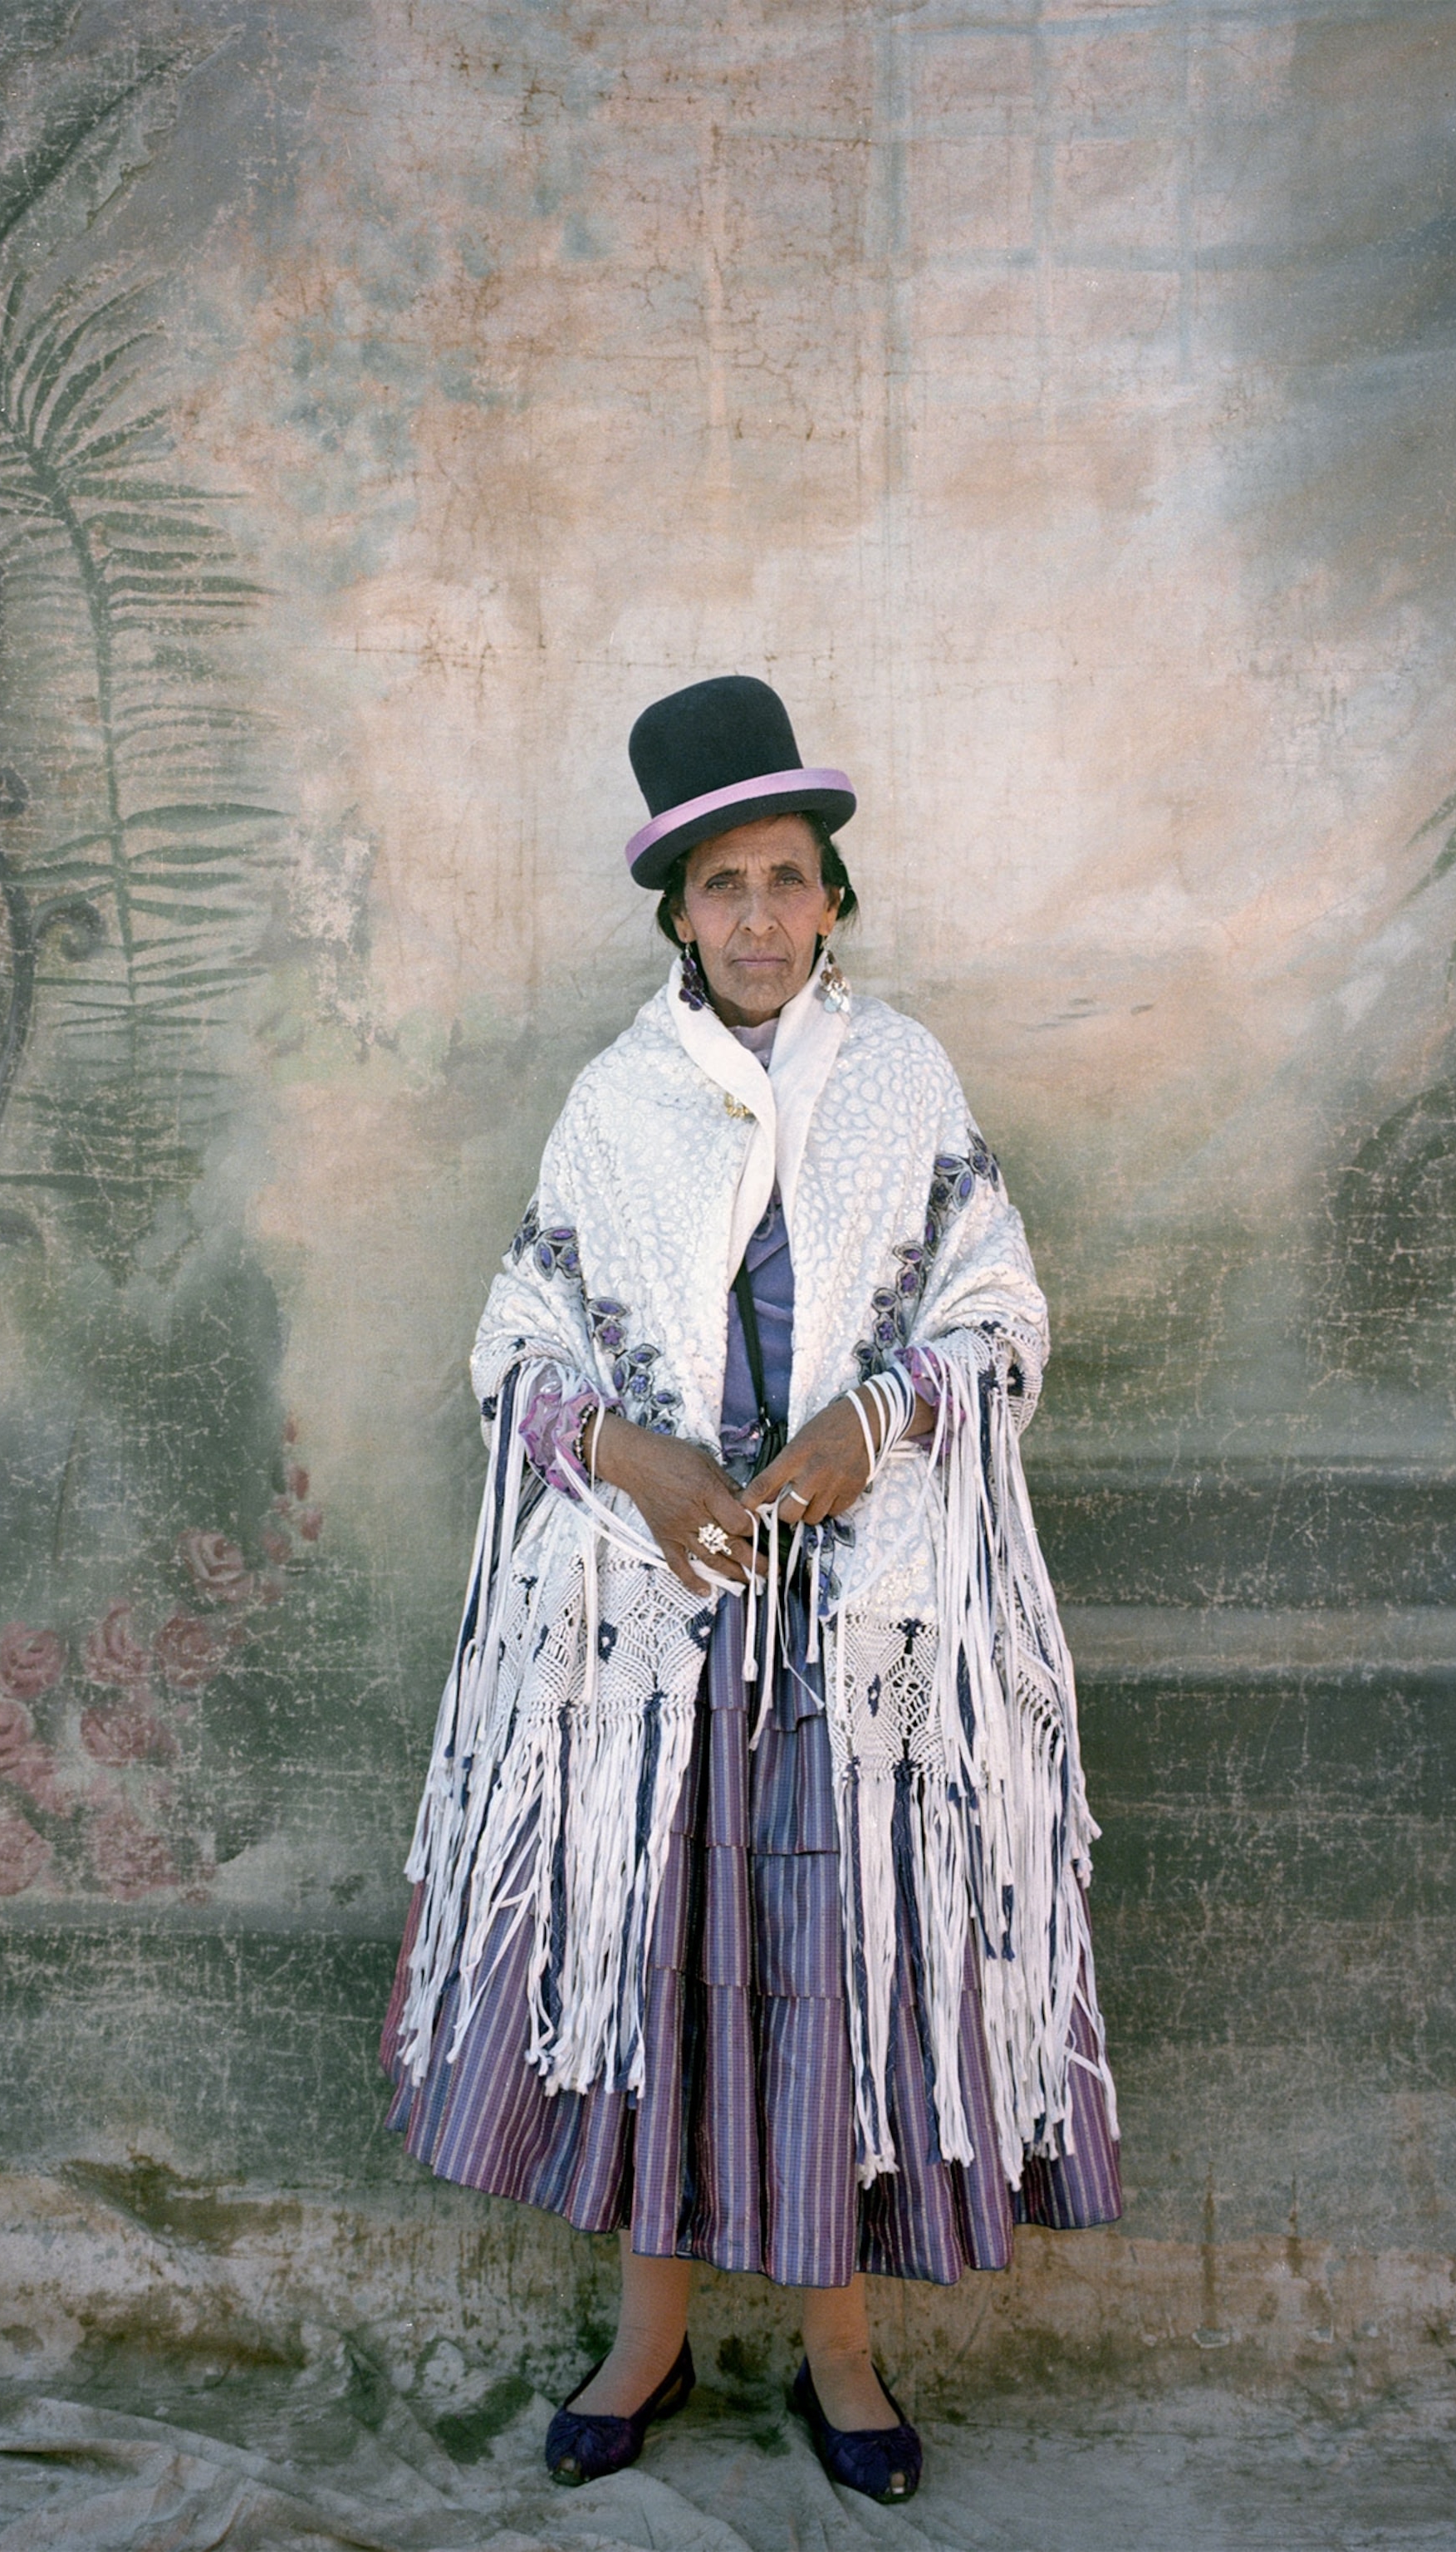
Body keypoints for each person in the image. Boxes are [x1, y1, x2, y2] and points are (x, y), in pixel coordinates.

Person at [381, 675, 1119, 2505]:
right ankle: (647, 2334)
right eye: (724, 886)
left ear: (834, 899)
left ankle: (840, 2348)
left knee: (839, 1963)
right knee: (659, 1966)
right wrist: (627, 1461)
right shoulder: (616, 1104)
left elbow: (999, 1311)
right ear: (679, 917)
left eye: (790, 879)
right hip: (657, 1634)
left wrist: (882, 1416)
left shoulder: (902, 1083)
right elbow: (517, 1340)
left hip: (865, 1637)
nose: (762, 916)